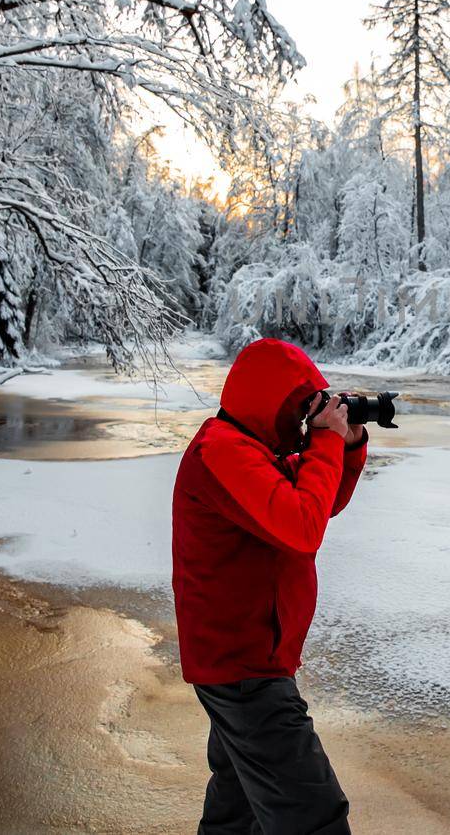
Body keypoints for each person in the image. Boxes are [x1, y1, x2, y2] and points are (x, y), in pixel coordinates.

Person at [171, 337, 369, 835]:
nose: (306, 419)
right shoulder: (222, 452)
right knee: (313, 816)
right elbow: (303, 528)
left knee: (237, 814)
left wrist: (348, 446)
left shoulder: (252, 448)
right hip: (244, 669)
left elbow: (316, 505)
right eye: (301, 407)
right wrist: (324, 439)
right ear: (269, 401)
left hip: (247, 659)